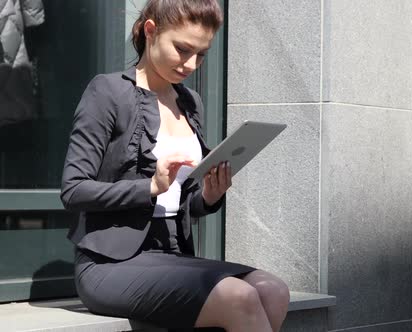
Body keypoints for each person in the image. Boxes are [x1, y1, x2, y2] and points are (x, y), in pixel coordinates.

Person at [60, 1, 289, 331]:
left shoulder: (189, 102)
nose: (192, 64)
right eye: (183, 49)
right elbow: (73, 189)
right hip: (109, 263)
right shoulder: (107, 91)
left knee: (274, 290)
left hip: (173, 254)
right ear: (151, 31)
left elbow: (187, 202)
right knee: (238, 297)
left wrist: (209, 195)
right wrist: (150, 186)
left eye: (202, 54)